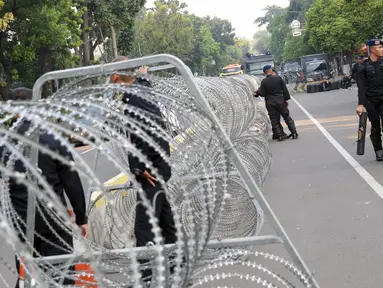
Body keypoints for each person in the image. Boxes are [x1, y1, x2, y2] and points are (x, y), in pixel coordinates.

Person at [1, 87, 88, 287]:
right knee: (61, 271)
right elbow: (71, 182)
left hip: (21, 218)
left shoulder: (4, 144)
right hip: (53, 217)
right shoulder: (53, 139)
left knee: (28, 272)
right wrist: (81, 218)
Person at [109, 56, 177, 283]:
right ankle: (179, 269)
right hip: (158, 165)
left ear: (116, 76)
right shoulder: (142, 88)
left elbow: (147, 130)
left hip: (151, 168)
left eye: (111, 75)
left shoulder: (133, 95)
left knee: (145, 226)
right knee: (166, 222)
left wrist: (140, 165)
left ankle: (146, 278)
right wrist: (144, 74)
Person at [356, 39, 383, 161]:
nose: (382, 49)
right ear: (372, 49)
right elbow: (361, 87)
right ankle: (378, 150)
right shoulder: (363, 66)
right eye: (380, 48)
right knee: (376, 125)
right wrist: (361, 104)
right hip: (371, 100)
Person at [255, 65, 298, 141]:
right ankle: (294, 133)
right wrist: (286, 98)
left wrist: (257, 92)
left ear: (265, 72)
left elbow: (262, 93)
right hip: (280, 100)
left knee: (274, 119)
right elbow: (284, 89)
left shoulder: (264, 81)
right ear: (269, 70)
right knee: (286, 117)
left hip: (270, 102)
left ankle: (279, 135)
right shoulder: (278, 78)